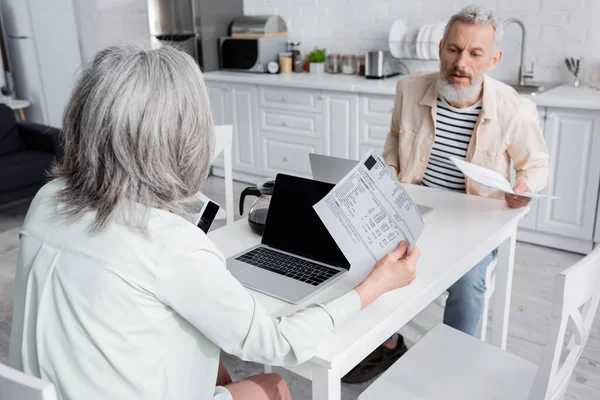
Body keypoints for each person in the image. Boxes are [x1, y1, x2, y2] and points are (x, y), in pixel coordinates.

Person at [7, 44, 420, 400]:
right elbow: (279, 343)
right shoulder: (167, 244)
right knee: (274, 384)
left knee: (212, 359)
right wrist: (374, 286)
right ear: (183, 139)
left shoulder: (47, 200)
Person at [342, 5, 549, 384]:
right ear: (440, 48)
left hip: (476, 222)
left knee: (469, 286)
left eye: (475, 53)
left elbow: (535, 165)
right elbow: (393, 142)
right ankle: (387, 344)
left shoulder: (513, 107)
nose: (461, 63)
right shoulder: (408, 88)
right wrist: (387, 173)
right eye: (454, 49)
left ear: (494, 58)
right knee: (364, 251)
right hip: (414, 209)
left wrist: (524, 188)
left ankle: (454, 372)